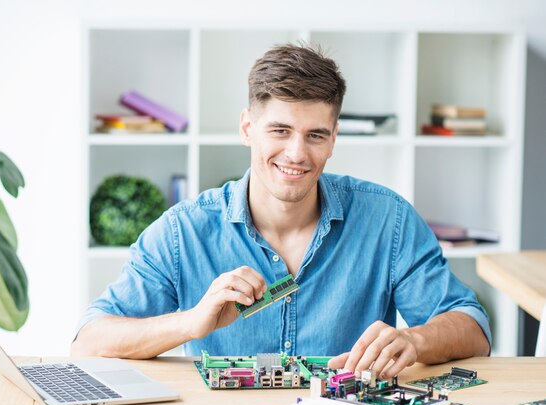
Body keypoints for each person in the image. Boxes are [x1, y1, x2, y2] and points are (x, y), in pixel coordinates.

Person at [72, 44, 490, 379]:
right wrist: (190, 322)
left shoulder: (388, 221)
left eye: (315, 135)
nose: (296, 153)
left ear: (334, 138)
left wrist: (414, 340)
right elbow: (88, 343)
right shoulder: (185, 231)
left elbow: (473, 328)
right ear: (247, 128)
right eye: (280, 130)